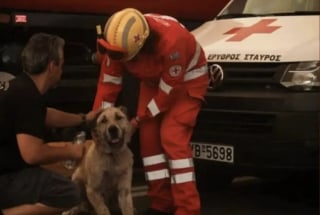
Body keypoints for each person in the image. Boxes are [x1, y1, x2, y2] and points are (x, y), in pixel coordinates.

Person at [92, 8, 210, 215]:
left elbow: (167, 91)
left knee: (172, 137)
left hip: (186, 80)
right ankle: (160, 204)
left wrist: (138, 119)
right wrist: (98, 124)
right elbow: (108, 87)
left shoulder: (173, 43)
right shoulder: (118, 42)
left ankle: (188, 208)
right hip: (154, 80)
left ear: (143, 46)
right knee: (149, 143)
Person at [0, 33, 98, 215]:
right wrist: (70, 151)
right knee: (68, 192)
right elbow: (32, 154)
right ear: (52, 66)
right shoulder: (27, 97)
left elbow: (44, 115)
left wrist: (83, 119)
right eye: (61, 64)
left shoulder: (19, 86)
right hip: (5, 179)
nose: (62, 69)